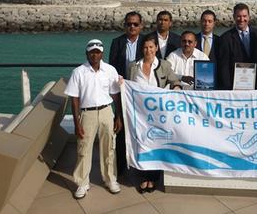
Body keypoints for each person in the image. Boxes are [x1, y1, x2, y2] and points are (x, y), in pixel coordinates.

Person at [64, 39, 122, 199]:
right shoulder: (78, 72)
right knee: (83, 149)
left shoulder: (110, 70)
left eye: (97, 51)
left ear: (102, 53)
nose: (94, 55)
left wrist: (118, 116)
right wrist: (76, 123)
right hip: (87, 114)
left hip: (106, 112)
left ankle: (110, 179)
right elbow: (74, 99)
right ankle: (82, 183)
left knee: (109, 148)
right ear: (86, 53)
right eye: (91, 52)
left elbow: (115, 95)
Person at [129, 35, 182, 193]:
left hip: (158, 114)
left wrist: (176, 89)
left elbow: (174, 81)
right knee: (142, 144)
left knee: (156, 143)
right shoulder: (133, 66)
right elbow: (129, 86)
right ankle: (143, 176)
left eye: (151, 47)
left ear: (156, 48)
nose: (148, 50)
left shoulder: (164, 65)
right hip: (139, 115)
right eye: (145, 47)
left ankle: (153, 178)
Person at [109, 11, 146, 174]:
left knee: (141, 129)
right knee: (121, 127)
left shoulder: (147, 42)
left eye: (135, 24)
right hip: (123, 91)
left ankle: (141, 166)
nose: (132, 27)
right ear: (124, 25)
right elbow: (112, 68)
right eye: (129, 24)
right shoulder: (117, 42)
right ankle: (121, 168)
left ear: (141, 26)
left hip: (141, 93)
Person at [218, 3, 257, 89]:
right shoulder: (225, 38)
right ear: (234, 17)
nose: (242, 19)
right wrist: (228, 88)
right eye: (238, 16)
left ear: (249, 17)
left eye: (244, 16)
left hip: (255, 84)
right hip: (234, 85)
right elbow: (224, 66)